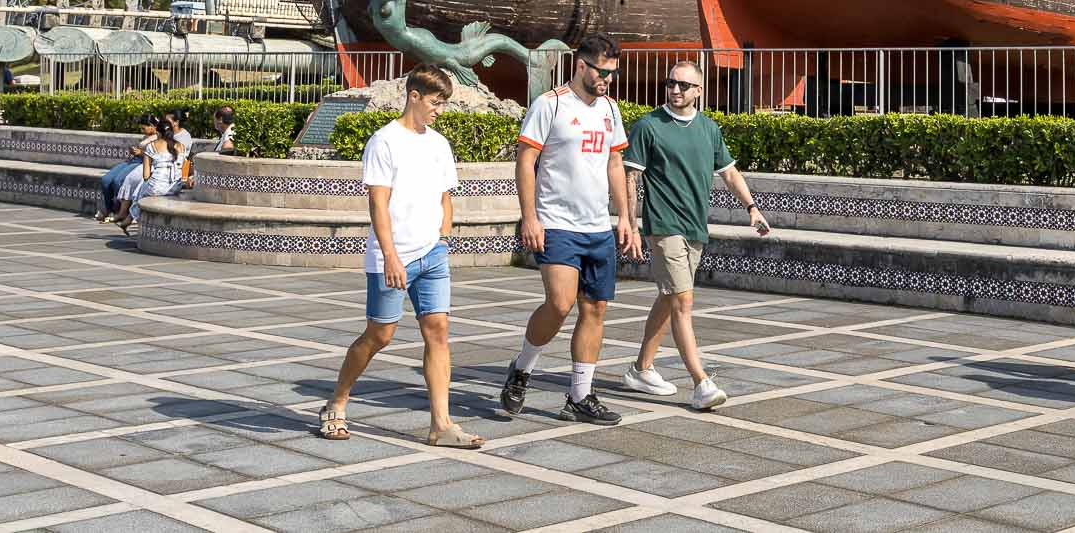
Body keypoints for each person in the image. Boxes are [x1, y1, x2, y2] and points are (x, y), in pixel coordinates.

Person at [316, 67, 481, 449]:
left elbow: (445, 196)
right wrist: (390, 256)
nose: (440, 110)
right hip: (392, 255)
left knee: (438, 330)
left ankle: (441, 424)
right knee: (380, 335)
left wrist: (443, 237)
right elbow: (378, 203)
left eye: (444, 104)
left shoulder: (439, 144)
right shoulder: (384, 141)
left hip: (432, 254)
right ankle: (337, 401)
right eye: (436, 103)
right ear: (414, 96)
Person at [497, 34, 636, 426]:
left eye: (613, 73)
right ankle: (522, 368)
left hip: (597, 226)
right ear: (581, 64)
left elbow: (614, 164)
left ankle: (579, 396)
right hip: (557, 223)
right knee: (560, 303)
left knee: (595, 309)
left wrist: (624, 216)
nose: (607, 79)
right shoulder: (551, 104)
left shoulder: (610, 109)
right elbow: (526, 162)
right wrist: (529, 216)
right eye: (602, 71)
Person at [620, 61, 770, 411]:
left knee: (669, 297)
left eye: (684, 85)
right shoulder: (649, 126)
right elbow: (630, 177)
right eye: (671, 83)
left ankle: (641, 369)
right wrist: (630, 222)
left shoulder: (708, 129)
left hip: (694, 227)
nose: (675, 89)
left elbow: (730, 173)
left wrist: (752, 207)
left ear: (698, 91)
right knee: (683, 303)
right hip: (664, 226)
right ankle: (701, 383)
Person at [114, 115, 188, 233]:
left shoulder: (151, 146)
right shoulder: (181, 146)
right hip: (175, 187)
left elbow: (146, 175)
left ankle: (129, 218)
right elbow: (182, 168)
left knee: (142, 187)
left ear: (157, 133)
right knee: (143, 187)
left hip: (157, 188)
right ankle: (128, 219)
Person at [95, 116, 159, 223]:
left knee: (118, 181)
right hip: (134, 160)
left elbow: (158, 156)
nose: (142, 131)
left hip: (143, 163)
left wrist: (141, 153)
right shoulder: (146, 136)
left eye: (144, 128)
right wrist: (135, 151)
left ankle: (119, 211)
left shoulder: (159, 138)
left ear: (152, 126)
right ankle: (109, 209)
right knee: (105, 180)